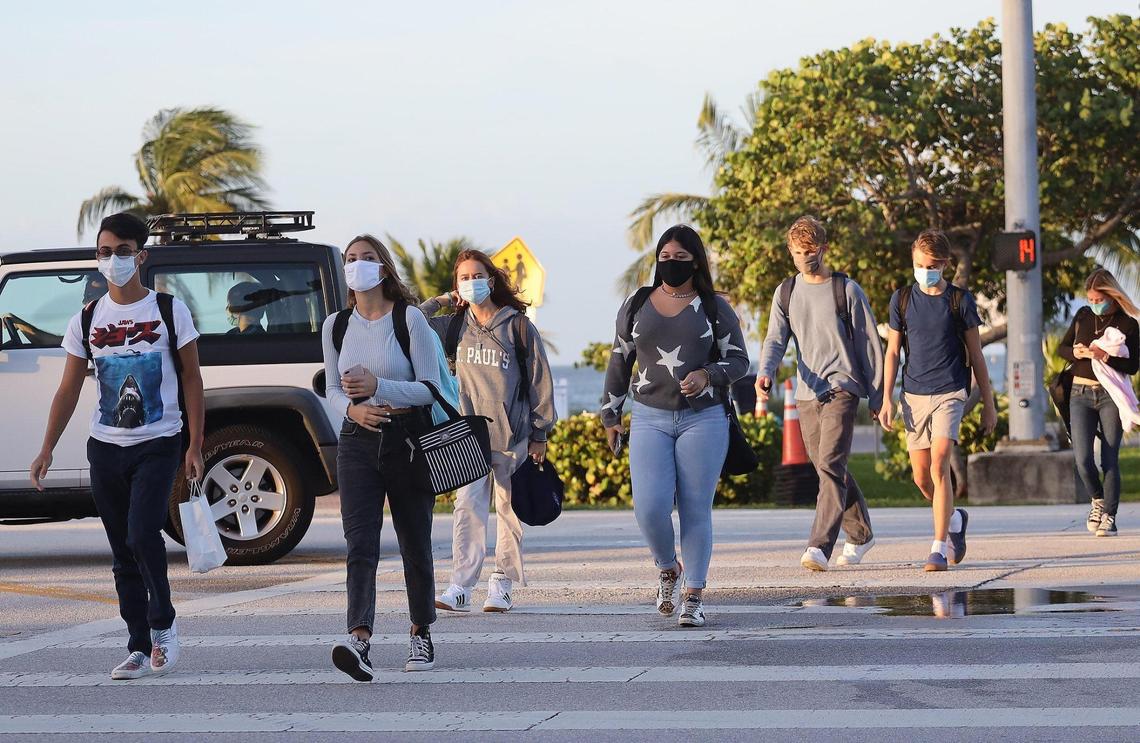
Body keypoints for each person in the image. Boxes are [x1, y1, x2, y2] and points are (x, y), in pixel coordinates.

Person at [30, 212, 204, 680]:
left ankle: (163, 624)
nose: (113, 259)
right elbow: (68, 388)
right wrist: (47, 447)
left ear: (141, 256)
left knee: (143, 534)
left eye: (122, 251)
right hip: (105, 447)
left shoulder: (169, 310)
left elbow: (192, 377)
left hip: (158, 442)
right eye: (105, 251)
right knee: (121, 552)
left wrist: (195, 445)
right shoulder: (87, 318)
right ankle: (138, 646)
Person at [601, 224, 749, 628]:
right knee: (648, 508)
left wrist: (708, 374)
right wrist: (610, 414)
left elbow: (739, 362)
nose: (671, 264)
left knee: (695, 508)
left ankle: (694, 595)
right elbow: (619, 360)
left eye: (680, 258)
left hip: (704, 418)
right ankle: (668, 569)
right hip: (649, 416)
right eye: (664, 257)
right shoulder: (637, 304)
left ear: (696, 261)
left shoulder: (714, 308)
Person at [322, 234, 441, 680]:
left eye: (367, 258)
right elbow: (332, 388)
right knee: (360, 544)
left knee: (414, 540)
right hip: (356, 440)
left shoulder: (409, 320)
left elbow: (430, 390)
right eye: (351, 259)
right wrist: (352, 408)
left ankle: (420, 631)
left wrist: (379, 388)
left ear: (384, 267)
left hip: (406, 439)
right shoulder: (335, 324)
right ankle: (359, 639)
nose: (358, 265)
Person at [421, 250, 557, 613]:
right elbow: (412, 321)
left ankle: (501, 583)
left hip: (512, 435)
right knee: (467, 507)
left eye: (476, 276)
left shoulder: (517, 326)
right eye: (462, 278)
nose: (470, 283)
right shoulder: (453, 325)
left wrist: (540, 433)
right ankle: (460, 585)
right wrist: (442, 301)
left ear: (491, 280)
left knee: (509, 510)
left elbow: (540, 380)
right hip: (468, 437)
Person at [756, 216, 884, 572]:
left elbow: (870, 347)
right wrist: (765, 371)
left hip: (843, 388)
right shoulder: (786, 292)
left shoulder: (847, 290)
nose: (803, 258)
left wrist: (876, 397)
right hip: (807, 393)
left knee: (829, 465)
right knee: (828, 467)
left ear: (823, 250)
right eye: (797, 252)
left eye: (809, 252)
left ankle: (818, 546)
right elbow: (775, 339)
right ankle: (860, 534)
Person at [877, 230, 997, 571]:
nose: (924, 270)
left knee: (940, 461)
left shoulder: (960, 301)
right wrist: (886, 398)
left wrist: (988, 403)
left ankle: (937, 547)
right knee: (921, 478)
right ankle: (955, 518)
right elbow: (893, 353)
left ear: (944, 264)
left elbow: (976, 354)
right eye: (918, 264)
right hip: (913, 395)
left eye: (930, 265)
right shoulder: (901, 299)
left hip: (950, 391)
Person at [1058, 268, 1139, 537]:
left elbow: (1133, 365)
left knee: (1109, 459)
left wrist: (1105, 357)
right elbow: (1062, 348)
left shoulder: (1128, 324)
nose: (1094, 305)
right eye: (1090, 300)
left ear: (1112, 296)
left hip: (1109, 396)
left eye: (1099, 299)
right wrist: (1077, 352)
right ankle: (1097, 499)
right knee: (1082, 459)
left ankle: (1110, 517)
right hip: (1079, 394)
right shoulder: (1082, 316)